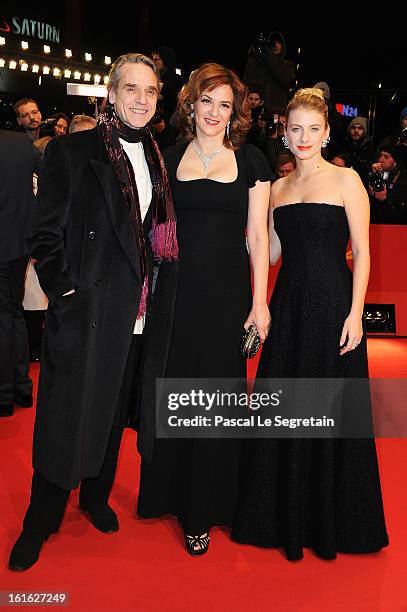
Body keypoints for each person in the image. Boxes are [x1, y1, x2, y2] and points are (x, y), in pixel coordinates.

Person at [9, 52, 178, 571]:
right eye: (132, 89)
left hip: (136, 312)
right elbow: (44, 233)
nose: (142, 100)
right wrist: (65, 295)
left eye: (150, 92)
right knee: (65, 417)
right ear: (111, 94)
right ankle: (40, 519)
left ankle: (96, 497)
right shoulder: (72, 151)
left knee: (109, 414)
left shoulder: (156, 157)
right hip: (87, 310)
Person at [232, 88, 388, 560]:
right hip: (290, 307)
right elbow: (273, 253)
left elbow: (362, 252)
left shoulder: (345, 181)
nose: (302, 138)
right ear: (284, 130)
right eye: (294, 129)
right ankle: (282, 519)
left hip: (334, 305)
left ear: (325, 132)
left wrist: (356, 312)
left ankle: (331, 523)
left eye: (312, 130)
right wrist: (239, 237)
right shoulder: (277, 189)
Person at [137, 63, 271, 555]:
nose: (214, 113)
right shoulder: (167, 157)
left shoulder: (253, 161)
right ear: (190, 104)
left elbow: (258, 237)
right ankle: (168, 493)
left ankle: (205, 508)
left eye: (224, 105)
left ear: (234, 113)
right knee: (175, 390)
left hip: (227, 296)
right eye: (206, 101)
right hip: (175, 294)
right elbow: (150, 231)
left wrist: (260, 303)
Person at [0, 130, 39, 417]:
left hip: (6, 244)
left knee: (5, 316)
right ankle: (22, 388)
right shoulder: (20, 142)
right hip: (21, 243)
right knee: (14, 311)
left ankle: (4, 393)